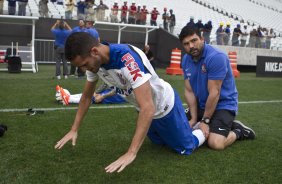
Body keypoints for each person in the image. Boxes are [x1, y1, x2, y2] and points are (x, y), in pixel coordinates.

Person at [55, 31, 207, 173]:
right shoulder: (94, 62)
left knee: (184, 148)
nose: (83, 70)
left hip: (163, 106)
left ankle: (205, 129)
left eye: (84, 65)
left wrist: (131, 152)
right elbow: (87, 97)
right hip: (144, 109)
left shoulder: (127, 60)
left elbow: (148, 107)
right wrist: (74, 129)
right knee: (159, 143)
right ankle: (183, 126)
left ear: (94, 51)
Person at [179, 26, 255, 151]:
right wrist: (193, 118)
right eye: (186, 44)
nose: (191, 46)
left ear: (202, 39)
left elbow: (215, 93)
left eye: (194, 40)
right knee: (177, 124)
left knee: (215, 143)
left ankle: (239, 131)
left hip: (223, 105)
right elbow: (189, 91)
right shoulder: (186, 59)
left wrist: (205, 121)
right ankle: (203, 120)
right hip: (202, 104)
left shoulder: (216, 57)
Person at [55, 83, 126, 105]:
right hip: (117, 91)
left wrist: (102, 96)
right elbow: (105, 83)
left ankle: (69, 99)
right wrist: (96, 92)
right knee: (92, 94)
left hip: (121, 95)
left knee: (95, 98)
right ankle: (69, 97)